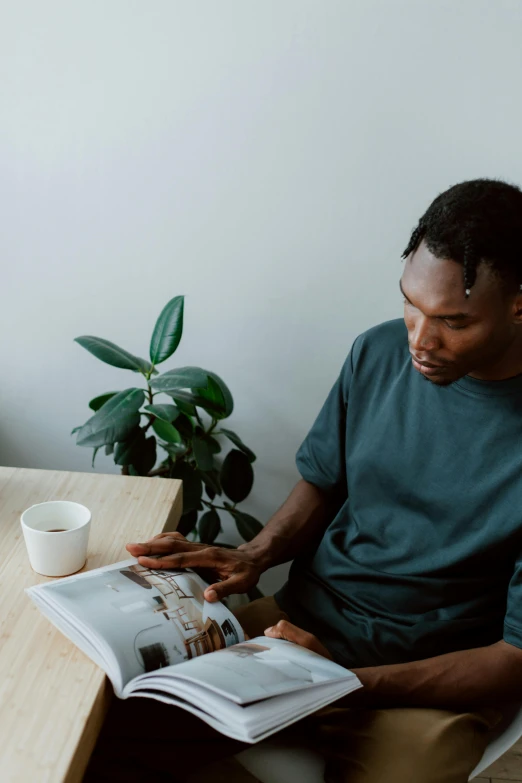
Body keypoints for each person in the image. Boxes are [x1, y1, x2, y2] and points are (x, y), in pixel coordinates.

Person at [85, 178, 522, 783]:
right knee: (107, 730)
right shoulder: (376, 352)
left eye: (453, 321)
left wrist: (346, 685)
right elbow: (323, 482)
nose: (419, 341)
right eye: (410, 305)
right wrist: (256, 553)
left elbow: (513, 660)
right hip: (300, 630)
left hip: (433, 682)